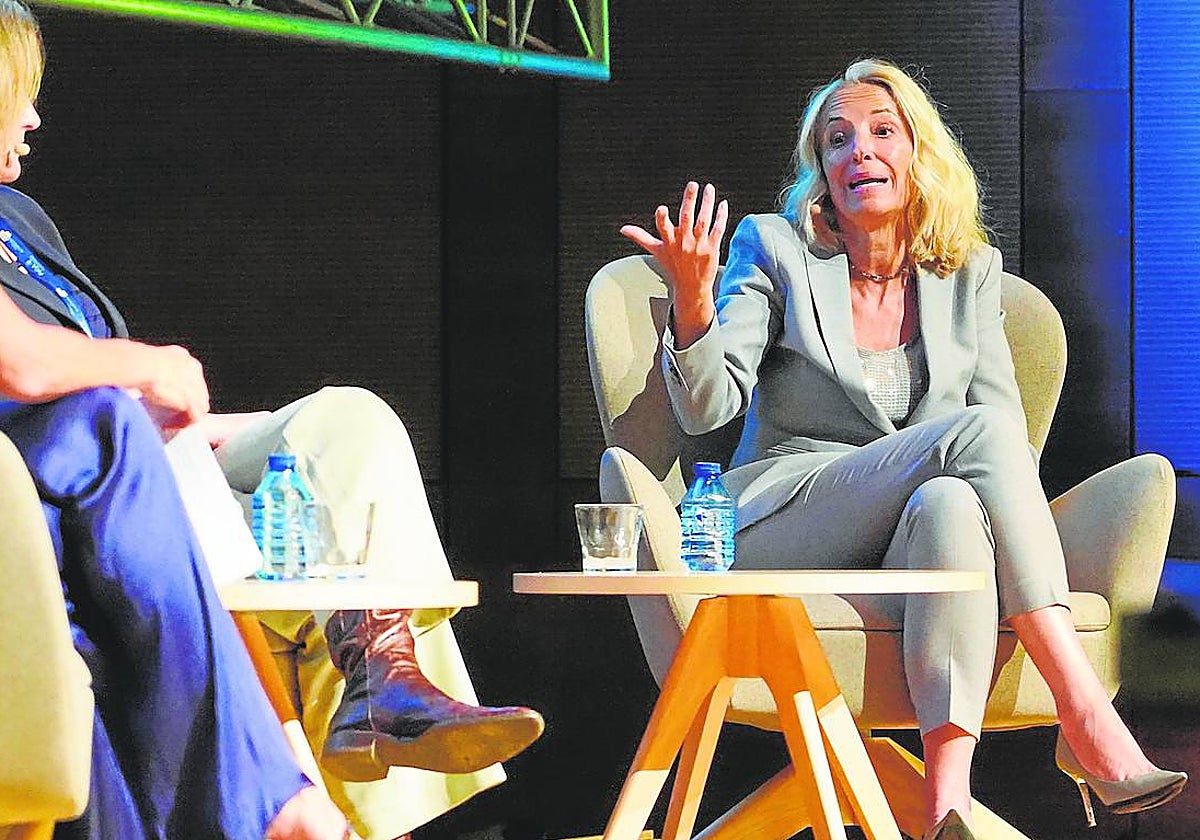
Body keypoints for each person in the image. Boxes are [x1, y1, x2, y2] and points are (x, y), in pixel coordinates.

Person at [0, 3, 542, 838]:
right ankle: (348, 737)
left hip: (139, 459)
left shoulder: (25, 223)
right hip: (65, 495)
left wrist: (257, 423)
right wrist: (152, 363)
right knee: (136, 441)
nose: (35, 116)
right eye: (18, 93)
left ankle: (383, 671)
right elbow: (30, 369)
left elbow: (131, 402)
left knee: (346, 423)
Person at [620, 58, 1187, 840]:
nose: (860, 152)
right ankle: (1083, 710)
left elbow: (999, 456)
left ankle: (943, 807)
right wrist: (692, 300)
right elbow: (705, 408)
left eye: (882, 132)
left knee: (954, 499)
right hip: (780, 525)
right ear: (820, 168)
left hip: (904, 549)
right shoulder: (777, 249)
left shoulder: (970, 273)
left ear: (920, 154)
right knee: (982, 440)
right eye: (837, 140)